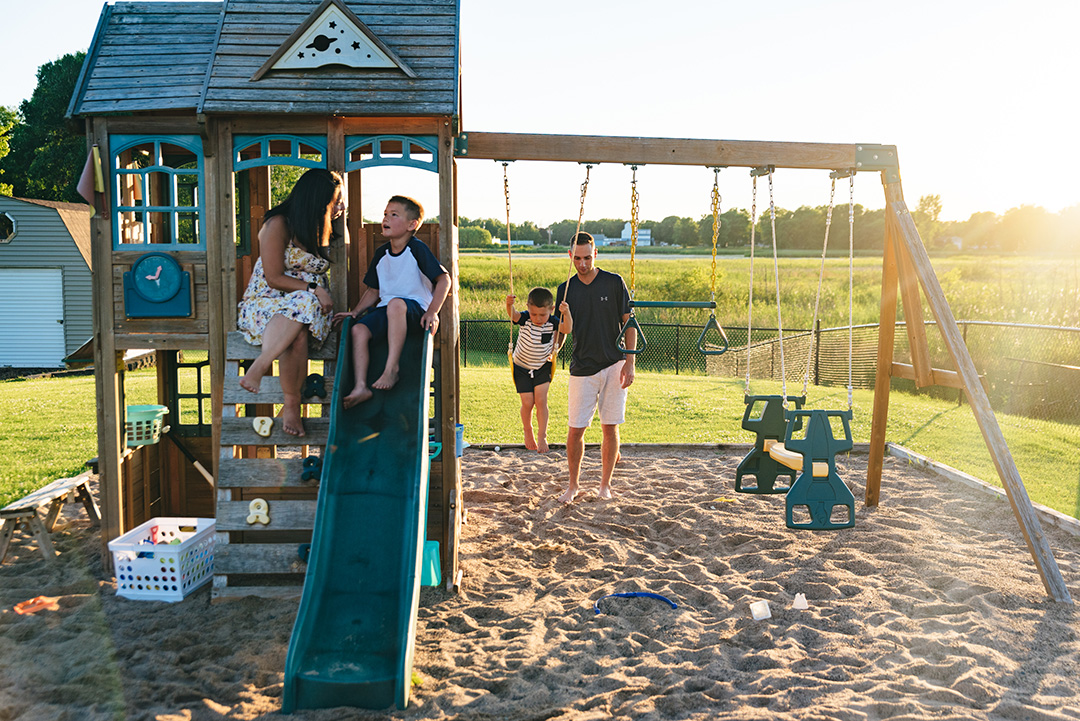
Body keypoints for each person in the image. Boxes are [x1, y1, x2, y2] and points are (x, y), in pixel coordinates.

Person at [237, 168, 342, 437]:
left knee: (300, 324)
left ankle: (282, 391)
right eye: (334, 201)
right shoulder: (278, 224)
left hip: (303, 311)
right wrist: (314, 288)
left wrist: (339, 217)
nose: (337, 206)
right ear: (317, 201)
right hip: (266, 304)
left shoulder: (320, 228)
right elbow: (273, 277)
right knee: (303, 307)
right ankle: (285, 395)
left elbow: (348, 250)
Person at [336, 195, 450, 408]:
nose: (385, 219)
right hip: (388, 310)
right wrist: (356, 312)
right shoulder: (382, 253)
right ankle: (361, 386)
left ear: (411, 224)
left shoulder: (416, 249)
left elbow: (444, 280)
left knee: (396, 304)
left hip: (415, 312)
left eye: (393, 215)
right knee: (358, 330)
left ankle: (392, 369)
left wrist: (433, 311)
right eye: (385, 214)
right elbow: (374, 290)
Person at [554, 232, 635, 503]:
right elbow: (564, 330)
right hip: (582, 366)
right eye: (577, 258)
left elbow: (629, 324)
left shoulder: (613, 282)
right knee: (576, 429)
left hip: (614, 362)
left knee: (609, 427)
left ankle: (605, 486)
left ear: (595, 254)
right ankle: (573, 485)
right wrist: (555, 342)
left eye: (587, 258)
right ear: (570, 256)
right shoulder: (565, 290)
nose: (582, 263)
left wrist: (630, 363)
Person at [505, 287, 573, 453]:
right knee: (528, 402)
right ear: (528, 308)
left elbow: (567, 329)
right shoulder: (525, 318)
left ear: (551, 309)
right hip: (521, 366)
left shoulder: (554, 321)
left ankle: (542, 435)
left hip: (543, 366)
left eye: (543, 315)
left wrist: (567, 313)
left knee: (541, 401)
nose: (538, 318)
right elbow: (513, 315)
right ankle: (528, 430)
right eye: (534, 314)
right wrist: (509, 305)